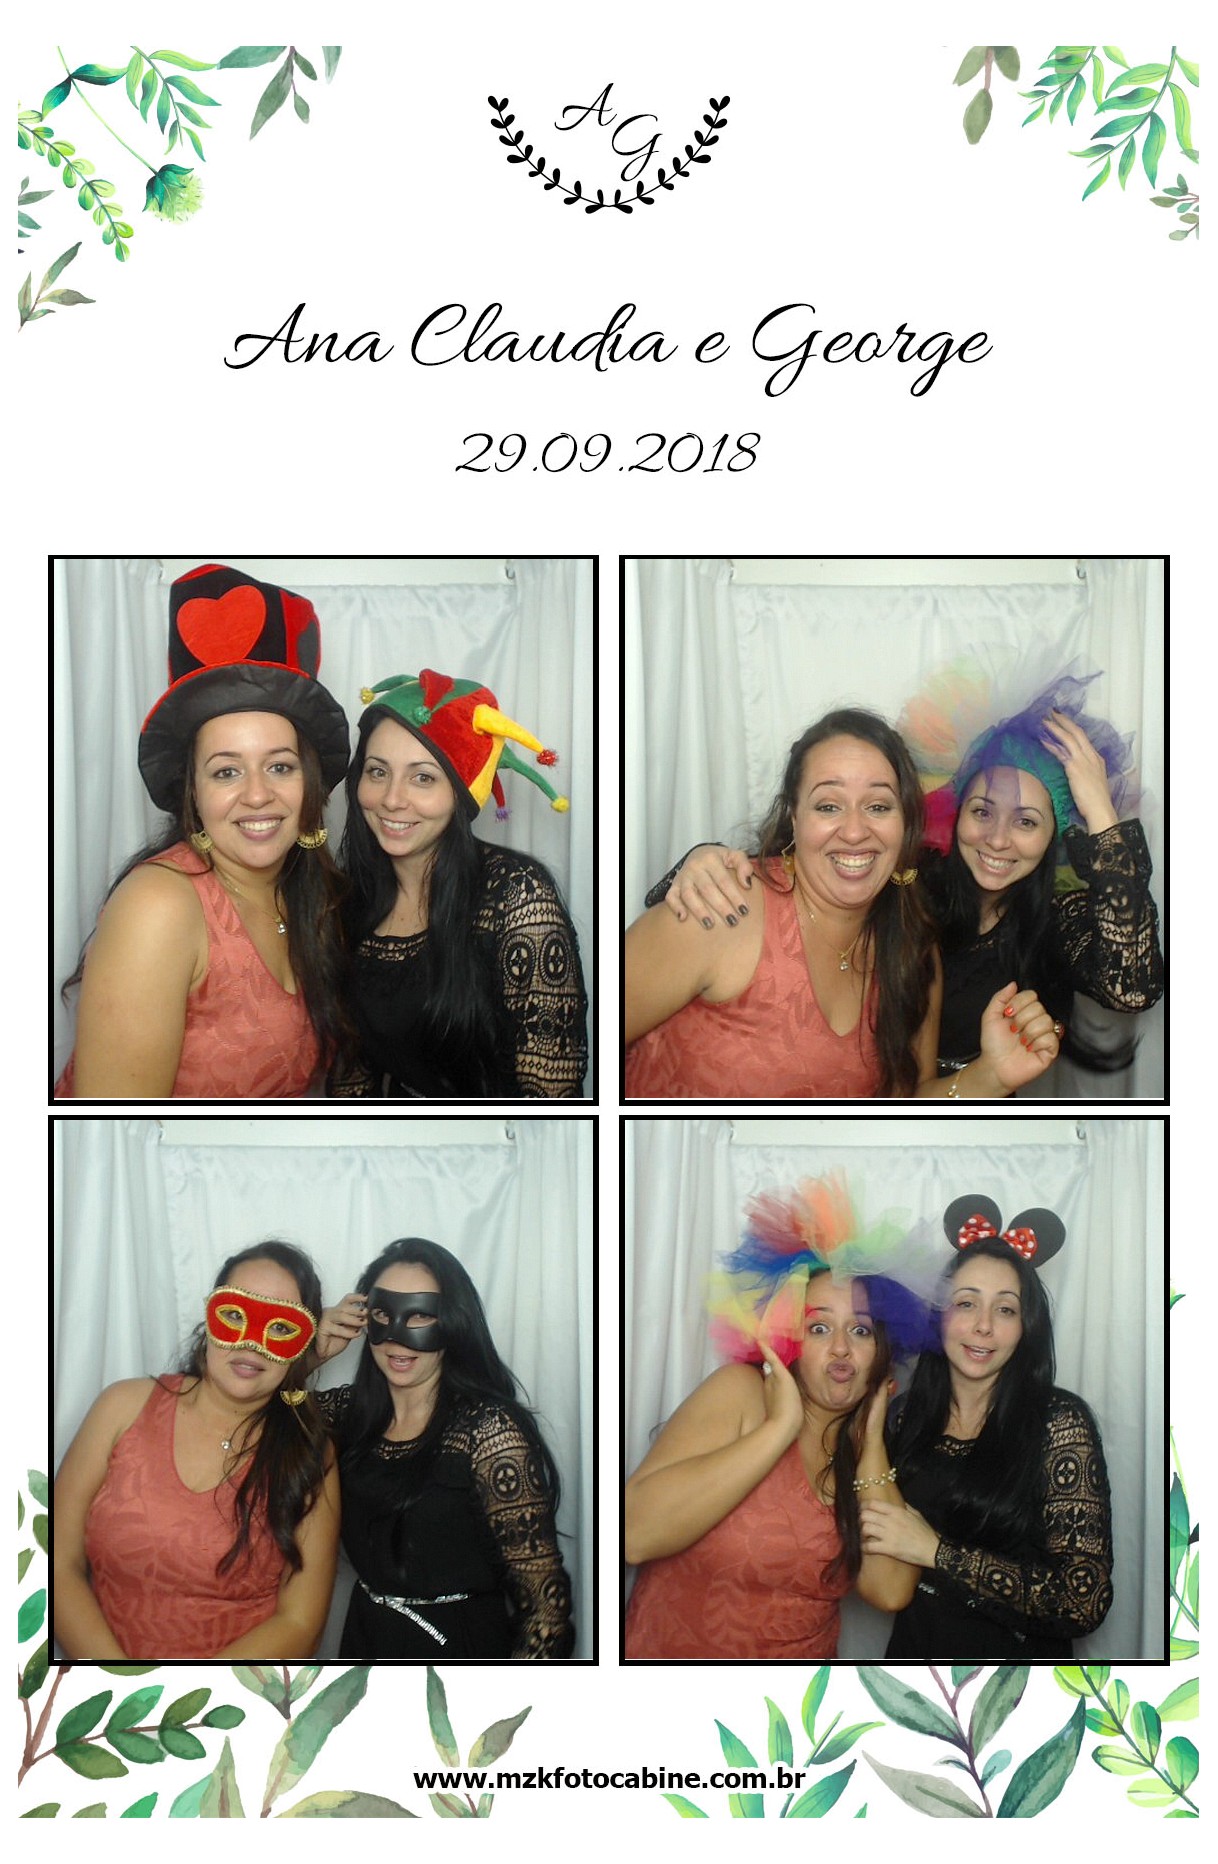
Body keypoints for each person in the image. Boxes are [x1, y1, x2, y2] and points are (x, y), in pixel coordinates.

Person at [654, 667, 1163, 1082]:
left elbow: (1134, 989)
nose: (997, 840)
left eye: (1026, 822)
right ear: (955, 813)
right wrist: (705, 860)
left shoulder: (1061, 918)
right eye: (982, 812)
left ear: (1055, 836)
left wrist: (1100, 811)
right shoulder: (905, 878)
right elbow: (796, 867)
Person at [625, 708, 1060, 1099]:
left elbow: (907, 1106)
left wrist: (990, 1076)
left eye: (878, 806)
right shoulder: (722, 905)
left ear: (906, 823)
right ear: (794, 816)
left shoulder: (914, 949)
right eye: (829, 806)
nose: (854, 832)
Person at [56, 564, 351, 1098]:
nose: (257, 795)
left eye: (279, 766)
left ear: (309, 782)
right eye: (226, 771)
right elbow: (114, 1133)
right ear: (192, 790)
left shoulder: (311, 892)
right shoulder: (159, 907)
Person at [624, 1175, 943, 1660]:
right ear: (787, 1339)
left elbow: (889, 1590)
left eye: (860, 1331)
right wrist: (779, 1427)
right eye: (819, 1327)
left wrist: (872, 1443)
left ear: (883, 1353)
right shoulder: (741, 1392)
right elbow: (634, 1536)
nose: (841, 1348)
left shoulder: (869, 1452)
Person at [53, 1242, 340, 1660]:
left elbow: (300, 1624)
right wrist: (122, 1684)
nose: (251, 1343)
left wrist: (189, 1692)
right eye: (235, 1315)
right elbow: (55, 1560)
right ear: (210, 1318)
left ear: (303, 1343)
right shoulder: (121, 1408)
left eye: (280, 1327)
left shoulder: (308, 1451)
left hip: (228, 1695)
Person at [859, 1195, 1113, 1659]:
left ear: (1027, 1326)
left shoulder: (1059, 1422)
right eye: (966, 1303)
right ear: (939, 1315)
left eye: (1005, 1309)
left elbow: (1084, 1601)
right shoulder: (904, 1416)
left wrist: (937, 1552)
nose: (983, 1326)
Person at [332, 670, 588, 1097]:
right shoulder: (348, 899)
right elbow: (353, 1070)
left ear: (460, 792)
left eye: (423, 777)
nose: (392, 799)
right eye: (377, 772)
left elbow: (550, 1096)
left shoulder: (518, 895)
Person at [314, 1237, 574, 1658]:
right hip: (367, 1639)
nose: (397, 1338)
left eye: (420, 1315)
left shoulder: (489, 1431)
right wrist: (312, 1350)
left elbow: (546, 1610)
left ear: (453, 1321)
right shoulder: (350, 1413)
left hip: (460, 1649)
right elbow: (251, 1416)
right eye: (382, 1314)